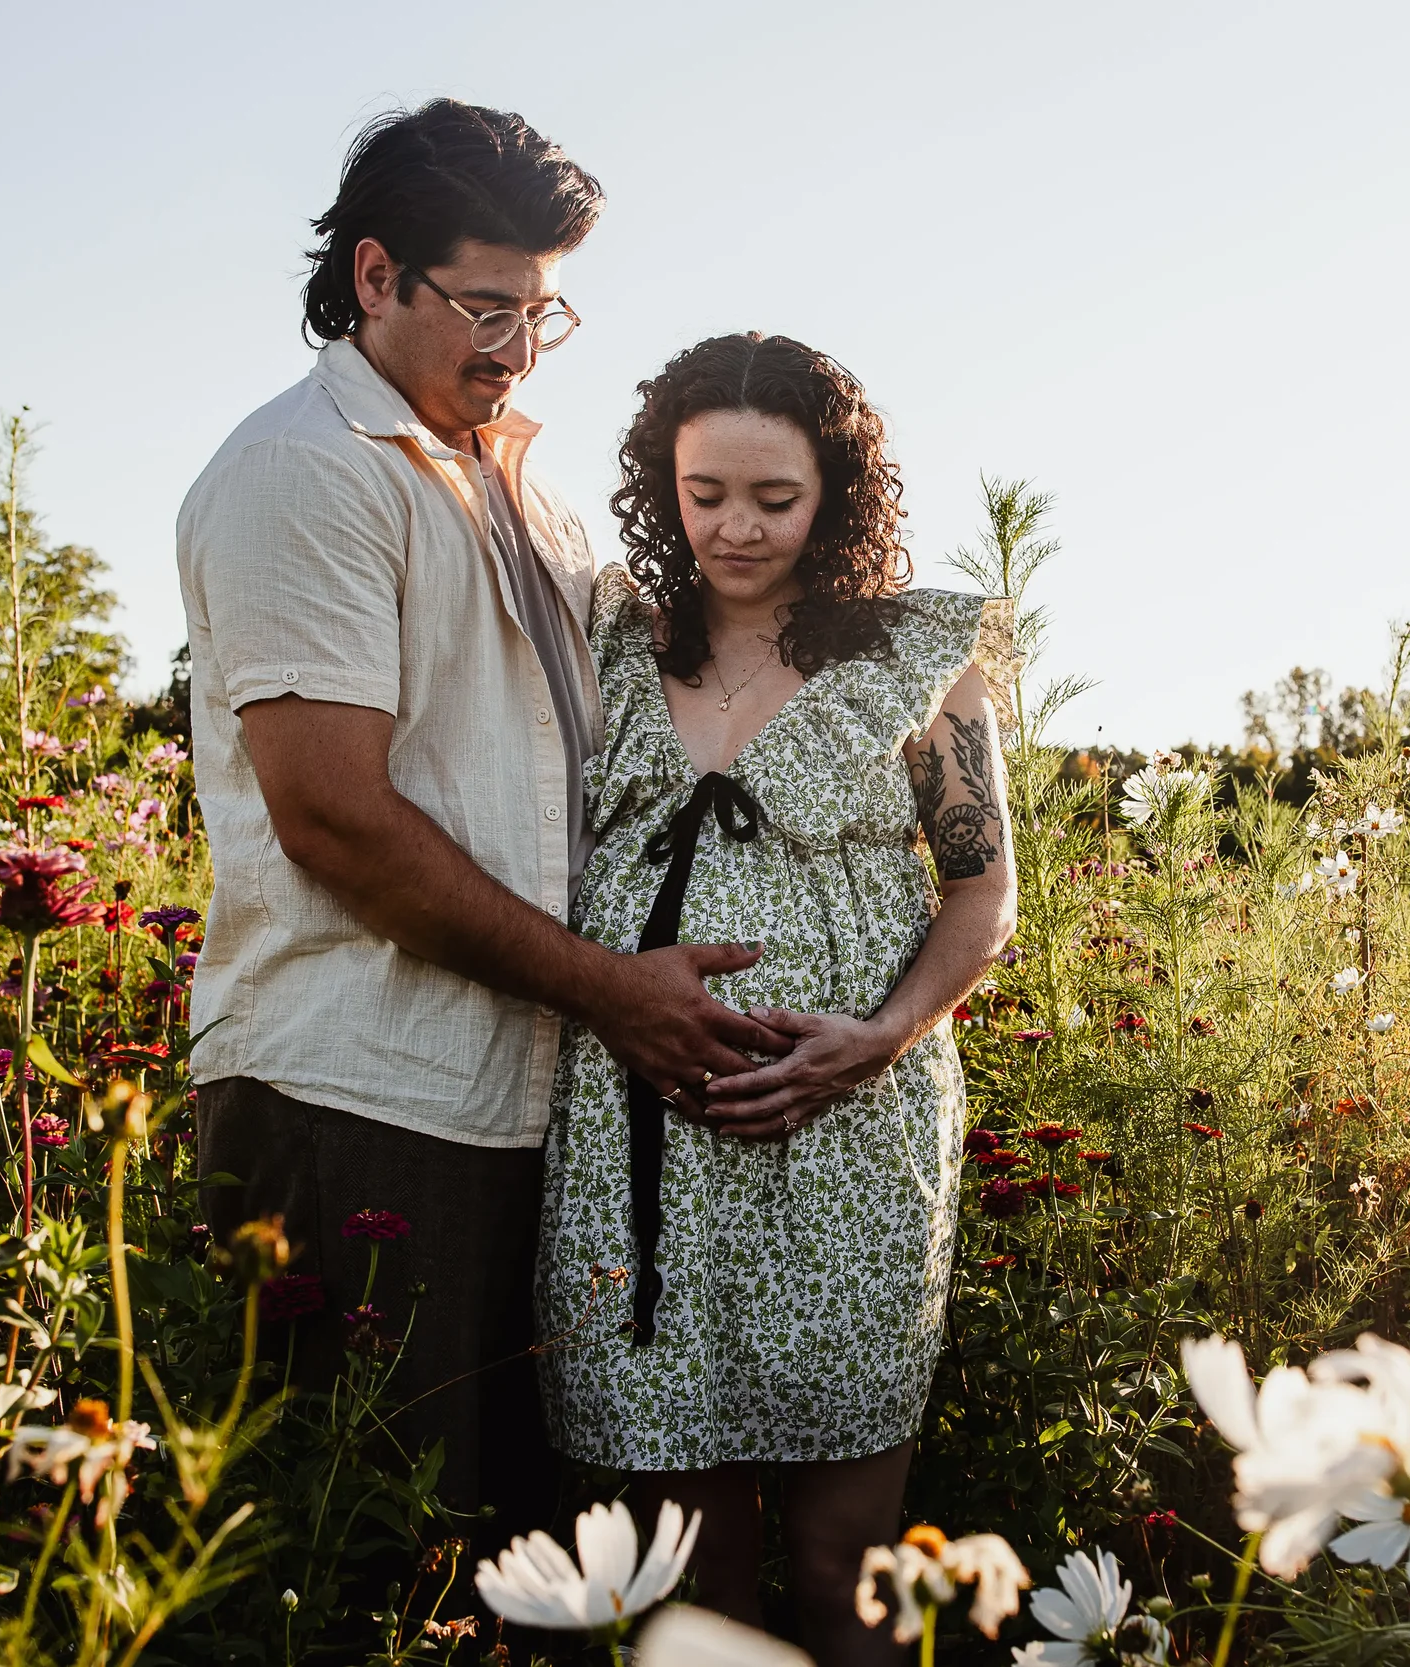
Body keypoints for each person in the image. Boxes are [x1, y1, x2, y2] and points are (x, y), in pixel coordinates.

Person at [173, 101, 786, 1530]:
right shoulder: (305, 471)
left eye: (544, 312)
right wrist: (617, 997)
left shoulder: (523, 491)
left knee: (501, 1555)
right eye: (487, 304)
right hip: (358, 1091)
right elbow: (333, 819)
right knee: (357, 1557)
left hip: (519, 1093)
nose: (514, 345)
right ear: (376, 277)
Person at [535, 333, 1018, 1664]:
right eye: (704, 494)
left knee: (841, 1564)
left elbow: (982, 896)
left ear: (837, 496)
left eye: (774, 497)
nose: (733, 527)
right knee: (688, 1574)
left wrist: (873, 1040)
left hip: (849, 1141)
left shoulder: (915, 657)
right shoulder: (615, 640)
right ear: (663, 486)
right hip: (639, 1143)